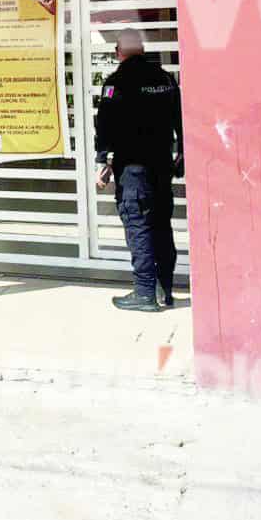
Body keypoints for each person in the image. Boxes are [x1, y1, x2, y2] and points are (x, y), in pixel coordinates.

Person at [93, 29, 184, 313]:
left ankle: (144, 293)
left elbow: (104, 126)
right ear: (142, 50)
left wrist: (102, 161)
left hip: (133, 170)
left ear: (119, 52)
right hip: (161, 167)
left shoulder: (115, 83)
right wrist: (182, 152)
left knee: (138, 227)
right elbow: (181, 119)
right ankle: (165, 289)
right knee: (161, 226)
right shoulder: (165, 80)